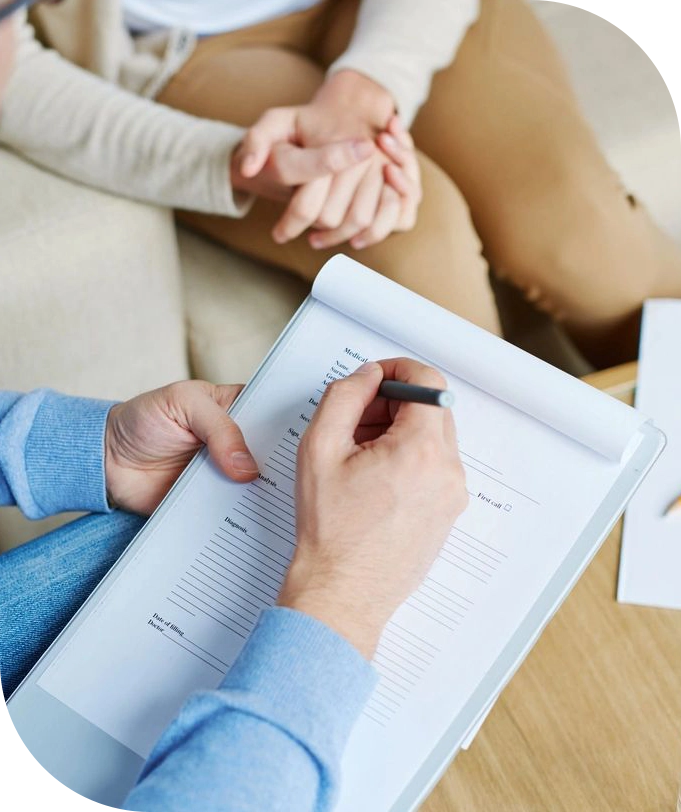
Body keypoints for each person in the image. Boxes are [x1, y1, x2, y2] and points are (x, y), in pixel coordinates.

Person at [4, 1, 681, 370]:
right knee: (414, 251)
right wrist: (230, 162)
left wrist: (370, 84)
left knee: (588, 245)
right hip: (179, 49)